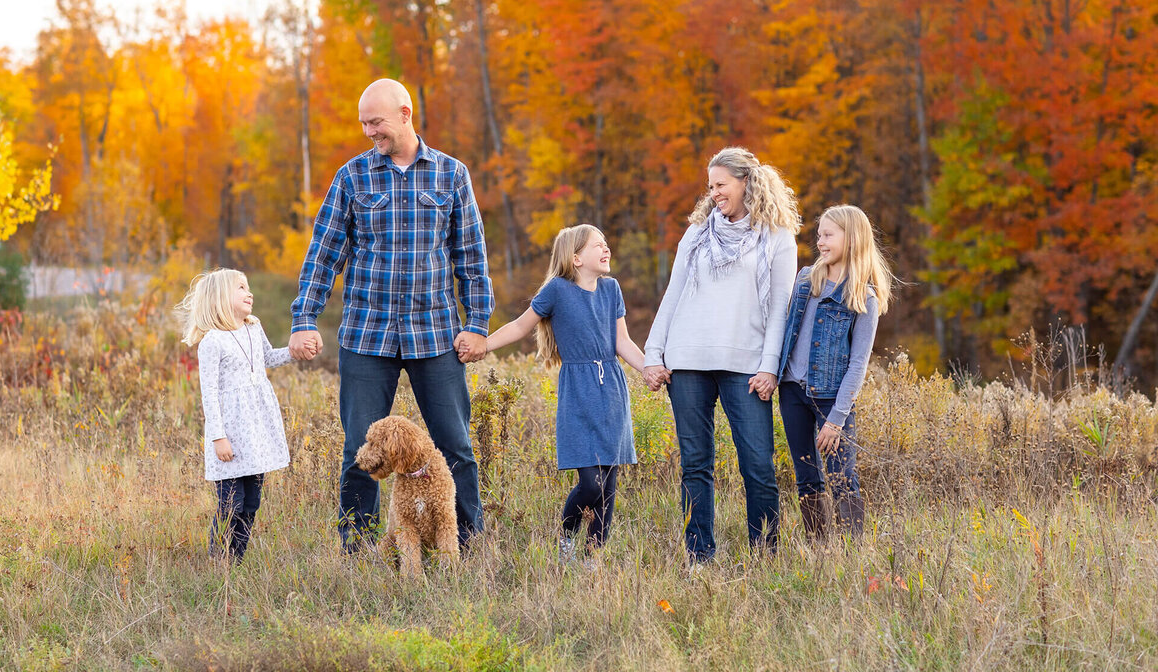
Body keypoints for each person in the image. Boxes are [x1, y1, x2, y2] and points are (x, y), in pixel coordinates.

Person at [290, 78, 493, 552]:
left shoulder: (451, 174)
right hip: (367, 336)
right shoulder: (353, 176)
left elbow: (471, 258)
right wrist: (305, 317)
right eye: (363, 123)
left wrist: (477, 324)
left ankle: (465, 546)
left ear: (405, 113)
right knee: (358, 451)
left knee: (455, 447)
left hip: (435, 333)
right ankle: (358, 553)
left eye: (375, 121)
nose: (368, 131)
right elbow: (324, 254)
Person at [643, 147, 800, 563]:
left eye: (721, 185)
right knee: (695, 465)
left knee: (758, 467)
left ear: (746, 182)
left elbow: (780, 310)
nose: (714, 193)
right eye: (710, 186)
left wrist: (770, 367)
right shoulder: (696, 234)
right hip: (687, 360)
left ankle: (764, 557)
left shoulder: (777, 238)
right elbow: (673, 295)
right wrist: (652, 353)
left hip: (746, 366)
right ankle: (699, 557)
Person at [480, 225, 646, 566]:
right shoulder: (557, 290)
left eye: (607, 243)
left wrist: (652, 369)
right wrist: (484, 343)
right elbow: (520, 326)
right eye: (598, 245)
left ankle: (592, 558)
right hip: (579, 392)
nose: (606, 249)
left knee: (609, 483)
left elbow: (623, 343)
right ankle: (567, 537)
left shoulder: (612, 289)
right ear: (575, 258)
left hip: (612, 390)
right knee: (591, 485)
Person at [776, 204, 891, 544]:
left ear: (851, 238)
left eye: (828, 235)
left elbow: (858, 363)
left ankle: (852, 549)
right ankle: (819, 548)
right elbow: (785, 332)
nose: (820, 242)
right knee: (806, 475)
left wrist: (836, 419)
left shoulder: (863, 297)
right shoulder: (805, 280)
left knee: (843, 476)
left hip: (832, 398)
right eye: (819, 235)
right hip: (792, 391)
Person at [176, 268, 292, 562]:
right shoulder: (212, 342)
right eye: (241, 287)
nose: (249, 292)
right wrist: (218, 437)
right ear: (219, 298)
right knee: (231, 503)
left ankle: (235, 561)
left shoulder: (254, 328)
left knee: (251, 503)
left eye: (248, 286)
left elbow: (268, 358)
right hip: (229, 436)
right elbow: (209, 394)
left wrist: (294, 351)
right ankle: (218, 562)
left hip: (255, 431)